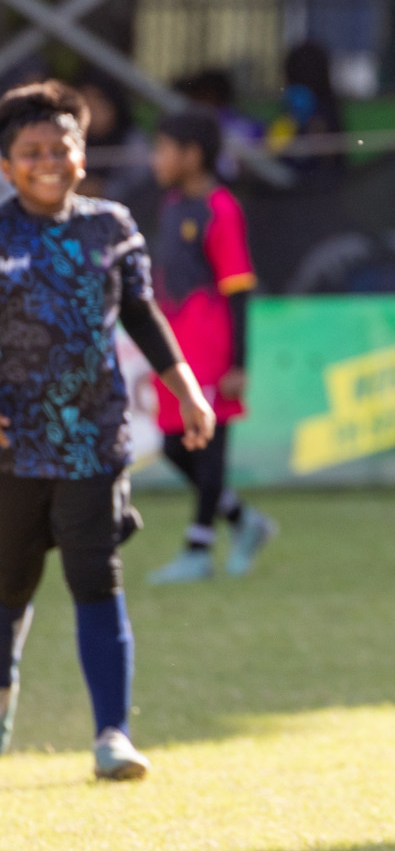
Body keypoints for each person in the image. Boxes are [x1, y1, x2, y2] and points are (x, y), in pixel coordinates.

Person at [0, 81, 215, 778]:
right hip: (9, 449)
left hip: (93, 440)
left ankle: (112, 737)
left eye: (60, 147)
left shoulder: (112, 226)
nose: (47, 161)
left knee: (97, 580)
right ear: (6, 165)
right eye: (30, 151)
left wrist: (184, 388)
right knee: (7, 590)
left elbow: (143, 316)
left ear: (82, 153)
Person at [144, 110, 277, 584]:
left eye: (163, 149)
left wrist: (239, 361)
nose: (155, 158)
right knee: (174, 447)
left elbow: (238, 288)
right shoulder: (172, 205)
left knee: (209, 451)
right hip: (176, 348)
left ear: (192, 155)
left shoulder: (222, 209)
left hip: (211, 347)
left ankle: (198, 549)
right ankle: (244, 521)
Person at [75, 68, 158, 223]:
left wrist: (104, 190)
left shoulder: (132, 139)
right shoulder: (71, 139)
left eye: (98, 100)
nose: (91, 108)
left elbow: (143, 189)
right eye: (85, 99)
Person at [174, 68, 267, 184]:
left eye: (196, 96)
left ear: (210, 95)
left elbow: (228, 173)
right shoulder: (252, 124)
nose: (191, 103)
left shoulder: (238, 127)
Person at [267, 41, 346, 175]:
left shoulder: (323, 113)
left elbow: (328, 159)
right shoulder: (291, 110)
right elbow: (274, 149)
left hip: (313, 188)